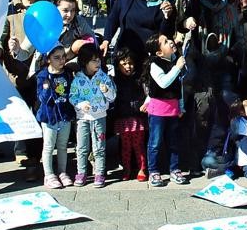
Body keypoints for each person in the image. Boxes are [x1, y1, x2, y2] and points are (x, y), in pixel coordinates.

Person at [181, 0, 245, 174]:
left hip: (224, 63)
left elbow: (238, 34)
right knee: (202, 109)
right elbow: (181, 24)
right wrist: (187, 22)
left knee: (224, 105)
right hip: (200, 65)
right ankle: (196, 155)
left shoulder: (230, 5)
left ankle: (214, 151)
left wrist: (233, 54)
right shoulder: (194, 3)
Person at [0, 0, 43, 177]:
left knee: (37, 113)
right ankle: (20, 148)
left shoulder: (46, 8)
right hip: (16, 70)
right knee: (20, 113)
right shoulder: (9, 9)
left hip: (40, 71)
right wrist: (1, 51)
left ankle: (34, 158)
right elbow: (1, 34)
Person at [101, 0, 177, 61]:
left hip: (149, 56)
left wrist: (168, 16)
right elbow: (113, 19)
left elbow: (167, 34)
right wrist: (106, 40)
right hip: (125, 55)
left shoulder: (166, 0)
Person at [142, 33, 189, 187]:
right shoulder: (155, 64)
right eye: (165, 42)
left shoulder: (175, 61)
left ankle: (175, 169)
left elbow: (178, 86)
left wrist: (181, 106)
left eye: (168, 39)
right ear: (159, 52)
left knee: (174, 142)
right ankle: (154, 171)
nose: (170, 42)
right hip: (158, 111)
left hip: (173, 109)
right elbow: (163, 83)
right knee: (155, 143)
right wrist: (177, 68)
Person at [68, 44, 115, 188]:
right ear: (84, 62)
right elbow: (72, 97)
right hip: (82, 118)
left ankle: (100, 173)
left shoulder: (104, 78)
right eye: (93, 60)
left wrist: (106, 90)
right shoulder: (77, 79)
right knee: (82, 147)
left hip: (100, 117)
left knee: (99, 146)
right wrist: (81, 104)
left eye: (98, 60)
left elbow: (112, 97)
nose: (97, 63)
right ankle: (81, 173)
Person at [35, 44, 76, 189]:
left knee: (62, 146)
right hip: (49, 116)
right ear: (48, 59)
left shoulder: (67, 73)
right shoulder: (43, 75)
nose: (61, 60)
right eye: (56, 58)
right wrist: (46, 88)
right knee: (48, 146)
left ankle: (63, 172)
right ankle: (49, 174)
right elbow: (42, 99)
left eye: (63, 57)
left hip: (64, 115)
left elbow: (71, 92)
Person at [111, 48, 147, 182]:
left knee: (139, 146)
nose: (128, 66)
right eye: (124, 63)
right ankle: (126, 169)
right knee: (125, 146)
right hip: (123, 118)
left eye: (130, 63)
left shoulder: (139, 78)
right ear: (118, 65)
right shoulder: (116, 80)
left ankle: (142, 168)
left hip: (137, 117)